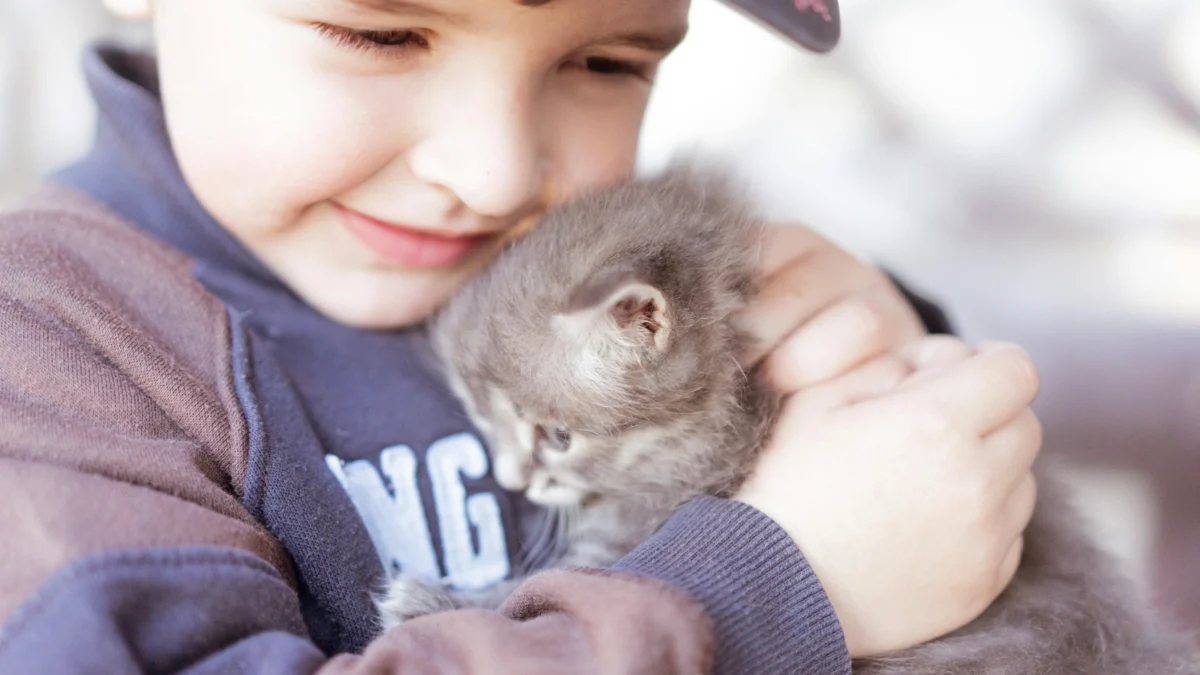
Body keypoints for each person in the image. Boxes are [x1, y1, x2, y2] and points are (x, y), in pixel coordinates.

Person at [0, 0, 1043, 673]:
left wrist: (882, 364)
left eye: (606, 59)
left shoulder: (570, 259)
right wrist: (770, 591)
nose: (496, 176)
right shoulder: (47, 344)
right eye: (383, 33)